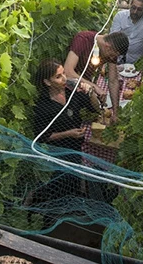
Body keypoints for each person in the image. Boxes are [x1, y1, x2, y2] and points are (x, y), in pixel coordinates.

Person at [30, 59, 102, 204]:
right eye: (58, 76)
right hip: (58, 151)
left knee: (73, 178)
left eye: (63, 73)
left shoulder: (71, 93)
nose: (64, 79)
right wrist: (69, 133)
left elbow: (95, 108)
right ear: (47, 82)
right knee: (60, 182)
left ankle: (69, 201)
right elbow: (43, 136)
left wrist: (90, 92)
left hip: (76, 147)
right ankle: (38, 201)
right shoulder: (44, 106)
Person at [63, 31, 128, 121]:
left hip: (85, 85)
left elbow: (113, 81)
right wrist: (95, 87)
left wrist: (115, 113)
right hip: (68, 86)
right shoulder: (82, 39)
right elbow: (67, 71)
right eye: (113, 55)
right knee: (74, 117)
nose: (113, 58)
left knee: (96, 113)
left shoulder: (112, 50)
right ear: (108, 47)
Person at [110, 0, 143, 64]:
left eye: (139, 9)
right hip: (118, 58)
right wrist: (112, 61)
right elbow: (113, 39)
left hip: (138, 61)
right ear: (130, 5)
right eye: (133, 8)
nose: (135, 12)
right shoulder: (120, 16)